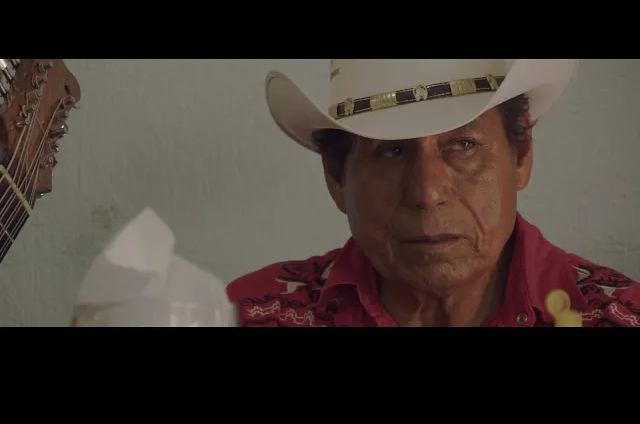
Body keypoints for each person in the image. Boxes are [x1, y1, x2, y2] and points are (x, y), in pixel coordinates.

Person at [226, 59, 640, 327]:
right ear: (337, 178)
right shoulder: (248, 314)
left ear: (521, 158)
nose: (427, 192)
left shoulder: (620, 315)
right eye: (392, 151)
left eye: (463, 145)